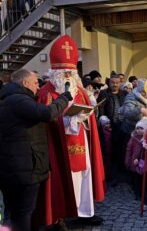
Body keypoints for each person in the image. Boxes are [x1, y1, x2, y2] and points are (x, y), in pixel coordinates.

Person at [35, 35, 105, 227]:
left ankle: (85, 213)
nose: (67, 77)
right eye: (64, 73)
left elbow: (88, 116)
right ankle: (65, 214)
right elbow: (46, 121)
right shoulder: (46, 93)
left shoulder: (80, 91)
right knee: (66, 177)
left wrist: (85, 118)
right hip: (60, 146)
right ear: (54, 73)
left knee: (85, 176)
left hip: (81, 139)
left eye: (70, 73)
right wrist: (68, 121)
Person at [0, 69, 71, 231]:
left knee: (15, 212)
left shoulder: (6, 99)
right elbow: (46, 113)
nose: (38, 87)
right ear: (25, 83)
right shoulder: (18, 100)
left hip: (12, 166)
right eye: (35, 82)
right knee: (24, 212)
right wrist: (64, 98)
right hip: (24, 168)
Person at [97, 74, 127, 182]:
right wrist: (103, 119)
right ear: (109, 83)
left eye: (117, 83)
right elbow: (100, 108)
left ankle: (121, 173)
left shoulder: (124, 93)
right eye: (113, 82)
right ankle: (111, 175)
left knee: (122, 150)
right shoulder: (104, 93)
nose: (115, 85)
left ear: (120, 83)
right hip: (109, 126)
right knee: (110, 151)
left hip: (122, 126)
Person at [125, 118, 147, 200]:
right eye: (137, 128)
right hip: (134, 162)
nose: (139, 130)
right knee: (136, 179)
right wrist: (127, 160)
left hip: (143, 162)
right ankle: (137, 193)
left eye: (141, 128)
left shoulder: (146, 139)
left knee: (143, 179)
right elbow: (128, 149)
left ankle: (143, 193)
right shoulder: (133, 138)